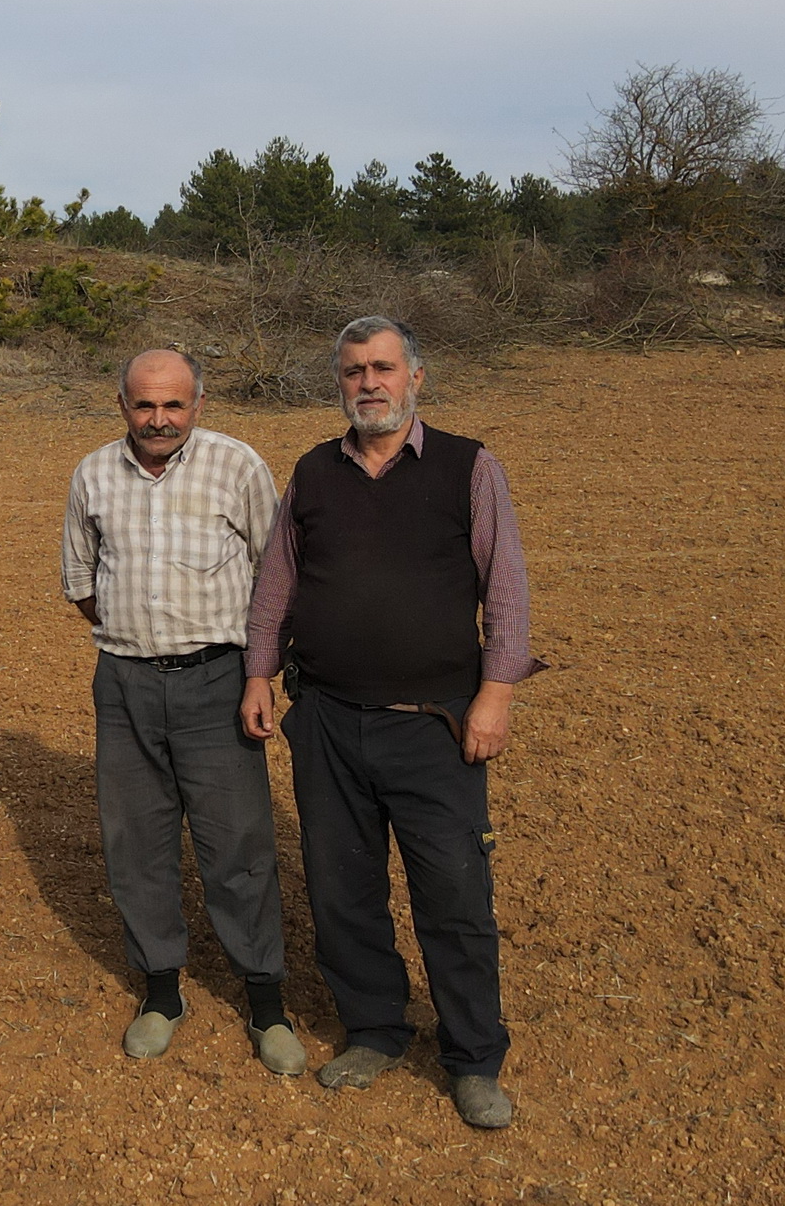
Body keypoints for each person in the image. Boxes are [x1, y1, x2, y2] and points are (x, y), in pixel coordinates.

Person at [240, 315, 542, 1130]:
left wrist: (497, 694)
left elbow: (505, 586)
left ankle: (474, 1056)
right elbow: (277, 584)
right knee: (344, 890)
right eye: (352, 371)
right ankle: (374, 1027)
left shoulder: (466, 466)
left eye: (382, 368)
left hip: (435, 723)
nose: (367, 383)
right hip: (329, 720)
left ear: (415, 377)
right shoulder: (312, 472)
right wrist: (260, 672)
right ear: (338, 382)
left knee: (453, 894)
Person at [60, 349, 304, 1075]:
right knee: (136, 843)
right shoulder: (94, 473)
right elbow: (81, 579)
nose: (158, 419)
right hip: (125, 681)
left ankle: (267, 1001)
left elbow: (276, 575)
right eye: (144, 405)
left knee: (239, 848)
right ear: (122, 403)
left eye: (173, 404)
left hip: (218, 680)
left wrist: (256, 671)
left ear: (199, 402)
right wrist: (140, 637)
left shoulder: (237, 465)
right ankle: (161, 990)